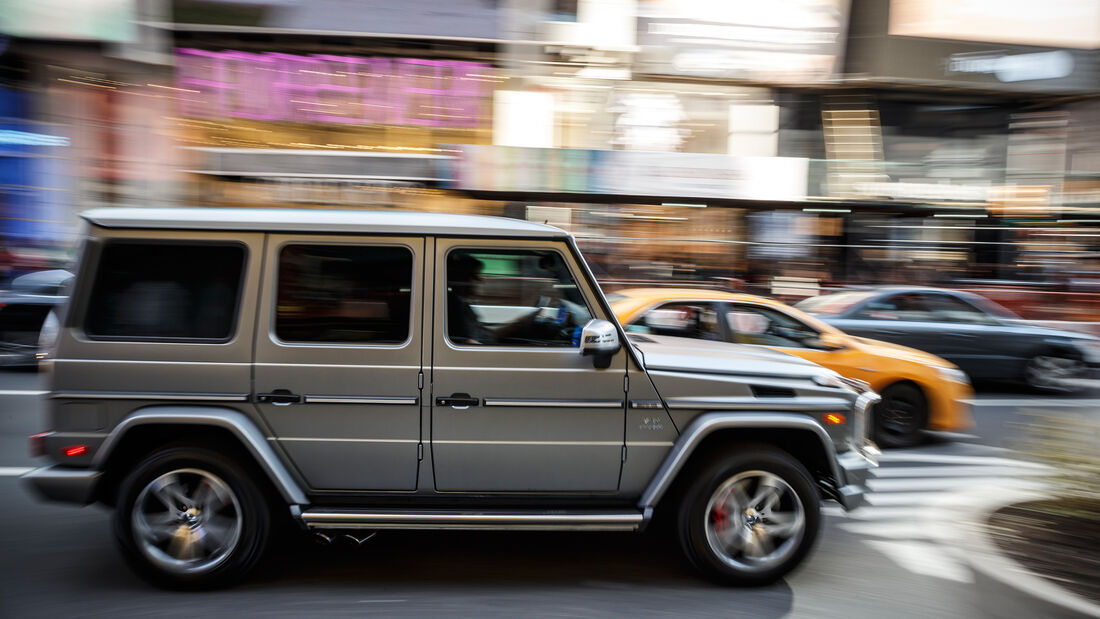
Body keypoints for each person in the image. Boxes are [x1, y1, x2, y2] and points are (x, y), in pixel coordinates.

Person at [447, 253, 493, 345]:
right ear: (463, 279)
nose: (480, 281)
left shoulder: (461, 303)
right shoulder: (454, 306)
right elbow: (469, 343)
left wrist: (516, 325)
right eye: (475, 276)